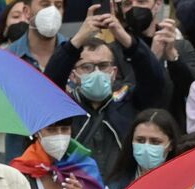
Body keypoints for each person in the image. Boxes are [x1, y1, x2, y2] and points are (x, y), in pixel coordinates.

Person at [45, 16, 170, 174]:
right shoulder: (65, 108)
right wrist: (76, 41)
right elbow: (47, 84)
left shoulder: (129, 101)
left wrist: (125, 39)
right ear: (74, 75)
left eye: (103, 66)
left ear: (114, 72)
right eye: (87, 67)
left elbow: (155, 80)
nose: (96, 73)